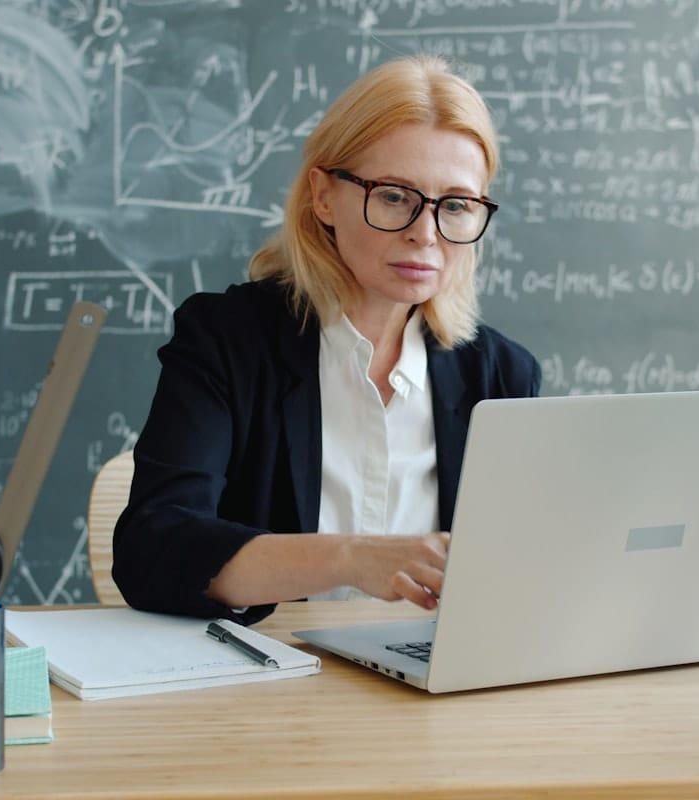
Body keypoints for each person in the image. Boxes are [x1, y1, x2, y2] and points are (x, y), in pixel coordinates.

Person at [112, 54, 541, 625]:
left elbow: (518, 578)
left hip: (432, 689)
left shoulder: (502, 375)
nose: (424, 232)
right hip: (267, 685)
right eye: (393, 195)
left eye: (456, 206)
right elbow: (154, 548)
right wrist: (350, 558)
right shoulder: (226, 340)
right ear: (324, 196)